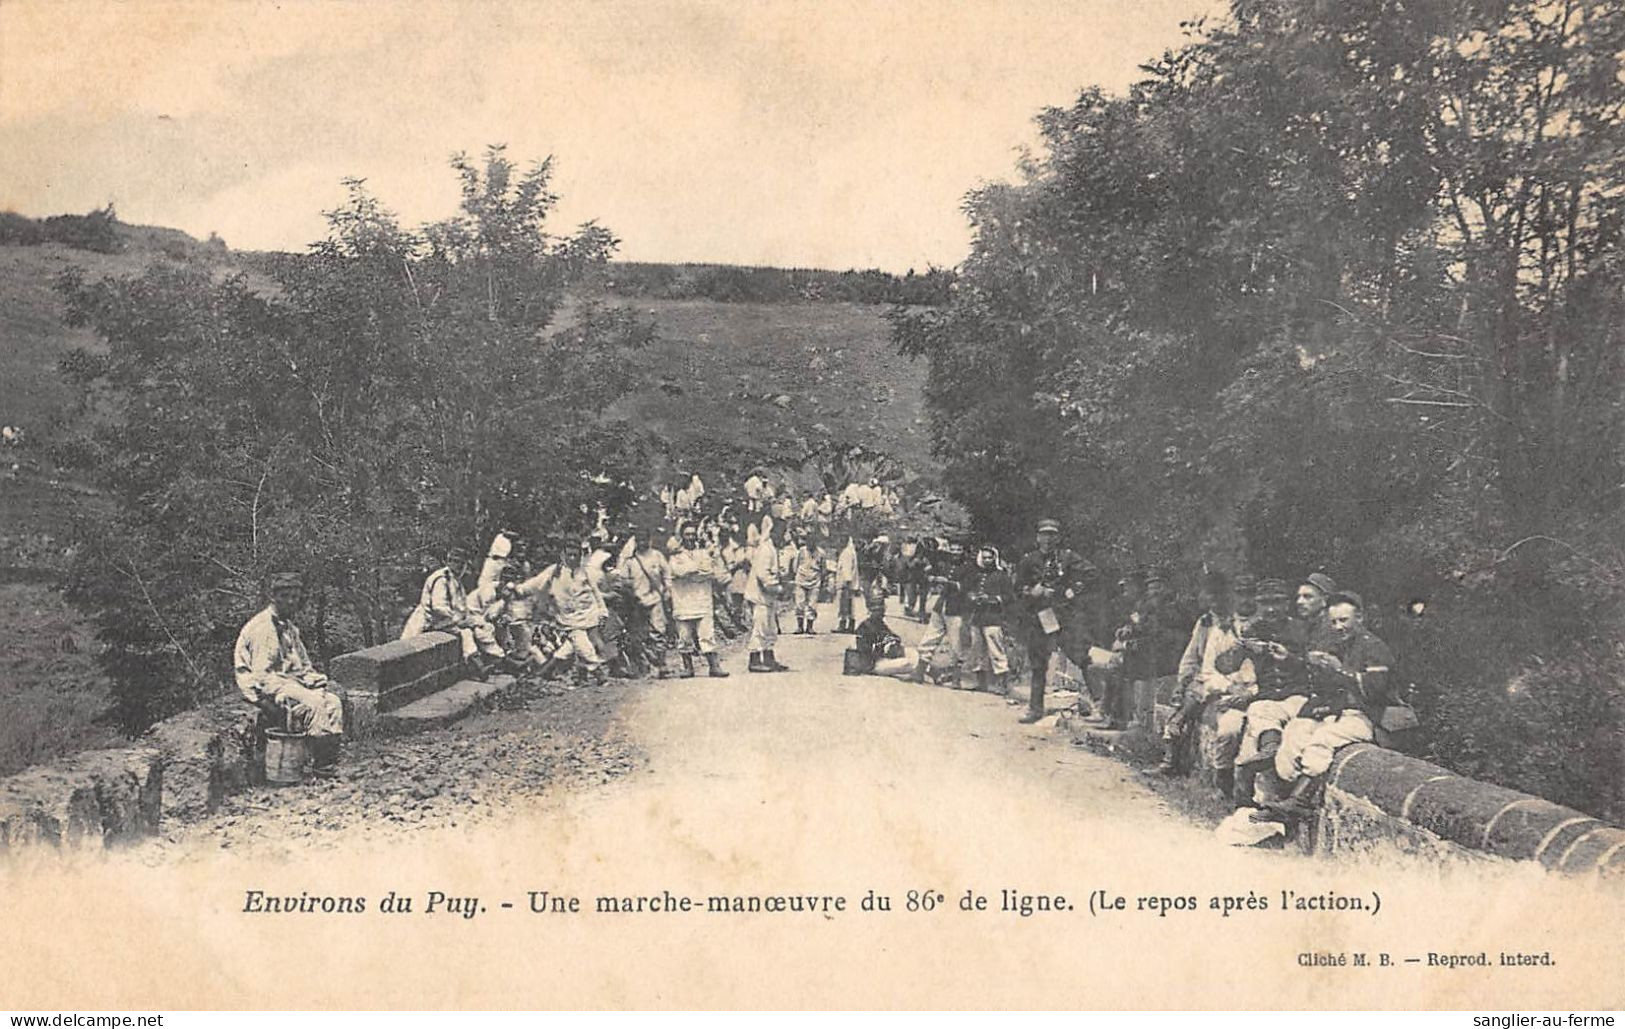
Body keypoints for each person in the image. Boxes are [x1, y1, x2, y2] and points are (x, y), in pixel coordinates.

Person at [1267, 592, 1396, 819]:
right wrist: (1292, 659)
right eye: (1334, 622)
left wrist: (1340, 670)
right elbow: (1325, 684)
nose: (1338, 627)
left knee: (1322, 740)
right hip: (1336, 712)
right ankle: (1283, 798)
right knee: (1294, 734)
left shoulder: (1374, 647)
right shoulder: (1340, 645)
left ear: (1360, 618)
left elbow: (1376, 691)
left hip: (1367, 716)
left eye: (1344, 620)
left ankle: (1300, 801)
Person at [233, 571, 344, 775]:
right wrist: (278, 695)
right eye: (286, 597)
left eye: (295, 597)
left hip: (288, 680)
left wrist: (314, 681)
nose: (292, 602)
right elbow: (262, 676)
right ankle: (317, 765)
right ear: (274, 597)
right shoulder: (263, 628)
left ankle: (326, 758)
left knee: (333, 702)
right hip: (265, 686)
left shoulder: (289, 628)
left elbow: (302, 665)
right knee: (315, 703)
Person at [1215, 577, 1310, 808]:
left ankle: (1259, 798)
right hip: (1262, 700)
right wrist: (1242, 646)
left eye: (1277, 602)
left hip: (1297, 697)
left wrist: (1291, 659)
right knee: (1233, 732)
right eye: (1265, 603)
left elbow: (1315, 668)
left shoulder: (1302, 629)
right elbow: (1224, 666)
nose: (1270, 609)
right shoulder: (1253, 630)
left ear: (1287, 604)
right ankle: (1230, 791)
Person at [1013, 519, 1097, 724]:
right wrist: (1032, 592)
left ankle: (1100, 705)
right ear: (1037, 537)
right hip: (1041, 616)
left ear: (1058, 537)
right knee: (1038, 664)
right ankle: (1035, 709)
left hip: (1065, 616)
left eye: (1052, 535)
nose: (1048, 539)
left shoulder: (1067, 557)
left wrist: (1072, 590)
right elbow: (1017, 588)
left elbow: (1092, 573)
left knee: (1082, 656)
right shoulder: (1029, 560)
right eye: (1044, 534)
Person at [1155, 571, 1237, 775]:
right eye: (1210, 595)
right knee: (1186, 692)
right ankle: (1171, 757)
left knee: (1197, 693)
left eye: (1219, 595)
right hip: (1205, 676)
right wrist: (1182, 681)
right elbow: (1191, 656)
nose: (1214, 600)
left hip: (1231, 678)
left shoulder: (1236, 622)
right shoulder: (1205, 622)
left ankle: (1176, 736)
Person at [402, 546, 506, 679]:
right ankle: (477, 664)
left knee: (481, 627)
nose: (458, 566)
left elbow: (461, 607)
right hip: (429, 622)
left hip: (446, 621)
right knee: (466, 633)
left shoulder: (455, 580)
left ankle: (493, 659)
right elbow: (438, 607)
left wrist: (469, 619)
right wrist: (458, 619)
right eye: (455, 562)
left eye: (461, 563)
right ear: (448, 562)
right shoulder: (441, 579)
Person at [668, 520, 732, 679]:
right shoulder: (676, 557)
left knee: (707, 634)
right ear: (682, 536)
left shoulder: (703, 553)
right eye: (687, 534)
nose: (690, 537)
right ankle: (688, 667)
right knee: (684, 636)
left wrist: (692, 573)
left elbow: (710, 571)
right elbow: (676, 572)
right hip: (682, 600)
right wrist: (694, 571)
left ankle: (714, 666)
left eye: (692, 534)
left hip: (702, 599)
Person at [962, 545, 1015, 694]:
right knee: (977, 650)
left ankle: (1002, 685)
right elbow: (967, 590)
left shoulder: (1001, 575)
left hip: (993, 617)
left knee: (996, 650)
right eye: (984, 557)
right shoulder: (976, 574)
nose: (987, 560)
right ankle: (981, 683)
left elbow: (1010, 596)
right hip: (977, 617)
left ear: (995, 558)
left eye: (990, 557)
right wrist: (972, 596)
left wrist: (992, 599)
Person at [620, 534, 674, 678]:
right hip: (637, 601)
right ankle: (646, 665)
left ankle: (662, 665)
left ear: (650, 540)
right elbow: (623, 580)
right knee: (639, 634)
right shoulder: (630, 560)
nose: (642, 542)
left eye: (645, 539)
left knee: (659, 631)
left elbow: (667, 573)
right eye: (640, 540)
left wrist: (667, 589)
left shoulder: (657, 556)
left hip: (656, 598)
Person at [746, 517, 791, 673]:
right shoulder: (765, 549)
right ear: (775, 533)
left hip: (768, 597)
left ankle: (769, 658)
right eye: (784, 533)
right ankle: (754, 660)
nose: (785, 536)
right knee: (760, 627)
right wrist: (778, 588)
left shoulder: (773, 549)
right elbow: (762, 574)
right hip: (760, 595)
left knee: (770, 628)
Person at [852, 589, 920, 679]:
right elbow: (865, 653)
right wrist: (884, 647)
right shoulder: (864, 627)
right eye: (877, 609)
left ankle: (928, 670)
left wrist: (892, 642)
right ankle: (928, 671)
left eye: (881, 609)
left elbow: (894, 637)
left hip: (885, 659)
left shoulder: (880, 624)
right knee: (907, 663)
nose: (881, 612)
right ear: (870, 610)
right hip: (873, 664)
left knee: (913, 652)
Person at [792, 528, 826, 634]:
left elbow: (823, 568)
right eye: (808, 541)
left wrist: (822, 581)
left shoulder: (821, 553)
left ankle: (810, 627)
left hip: (815, 580)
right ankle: (800, 626)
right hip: (801, 580)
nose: (810, 544)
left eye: (812, 541)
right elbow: (795, 566)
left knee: (812, 604)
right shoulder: (801, 551)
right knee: (799, 603)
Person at [1296, 572, 1339, 648]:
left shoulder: (1332, 629)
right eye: (1299, 596)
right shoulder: (1304, 626)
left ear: (1325, 599)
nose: (1299, 602)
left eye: (1308, 597)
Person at [834, 534, 861, 633]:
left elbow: (847, 569)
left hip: (845, 583)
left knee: (844, 605)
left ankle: (843, 625)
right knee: (849, 605)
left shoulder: (847, 553)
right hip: (848, 583)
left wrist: (846, 582)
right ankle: (849, 625)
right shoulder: (849, 551)